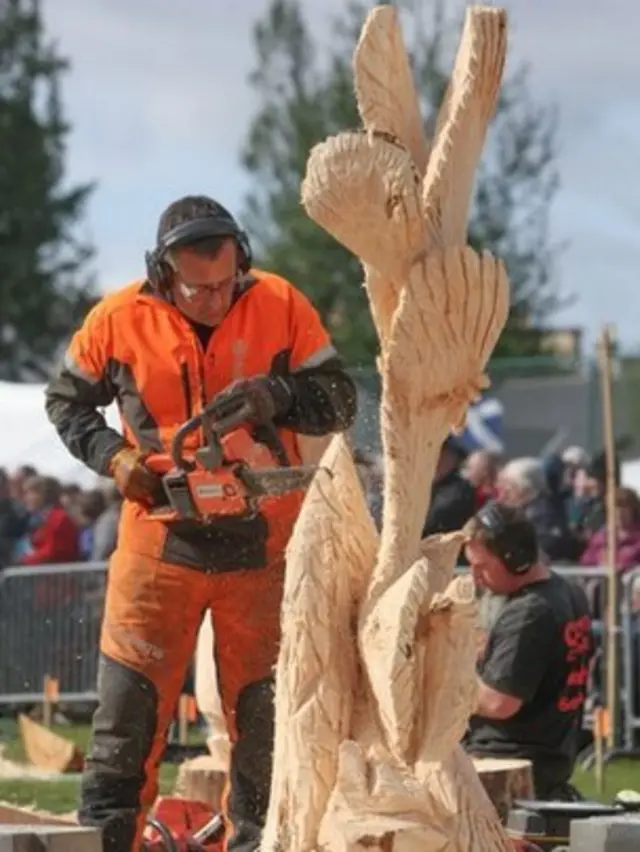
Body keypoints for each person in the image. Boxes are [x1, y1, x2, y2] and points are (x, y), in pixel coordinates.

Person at [44, 195, 358, 852]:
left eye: (225, 284)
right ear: (164, 274)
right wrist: (116, 457)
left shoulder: (280, 303)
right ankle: (104, 841)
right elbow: (65, 401)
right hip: (158, 545)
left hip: (261, 545)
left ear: (240, 261)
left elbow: (339, 399)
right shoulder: (119, 318)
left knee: (264, 731)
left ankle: (256, 845)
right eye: (198, 289)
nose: (215, 299)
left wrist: (279, 395)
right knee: (124, 726)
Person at [463, 501, 594, 800]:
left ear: (515, 558)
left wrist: (446, 673)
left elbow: (500, 702)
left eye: (482, 566)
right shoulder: (567, 592)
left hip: (505, 763)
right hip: (549, 758)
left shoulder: (528, 614)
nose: (475, 577)